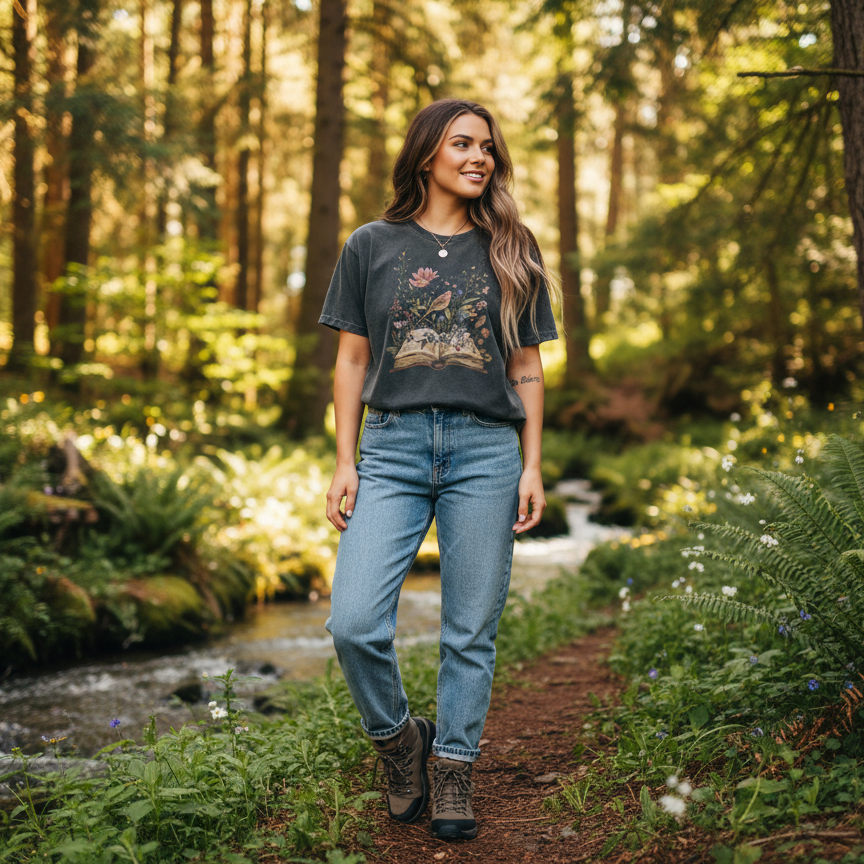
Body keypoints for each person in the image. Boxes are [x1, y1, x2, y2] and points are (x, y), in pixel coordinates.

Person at [319, 98, 558, 842]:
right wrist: (344, 460)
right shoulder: (371, 244)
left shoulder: (512, 247)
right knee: (353, 622)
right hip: (391, 449)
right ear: (427, 155)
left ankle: (454, 764)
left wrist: (532, 464)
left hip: (486, 451)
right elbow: (352, 359)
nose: (479, 157)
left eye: (486, 147)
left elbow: (527, 367)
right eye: (462, 144)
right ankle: (400, 742)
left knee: (469, 628)